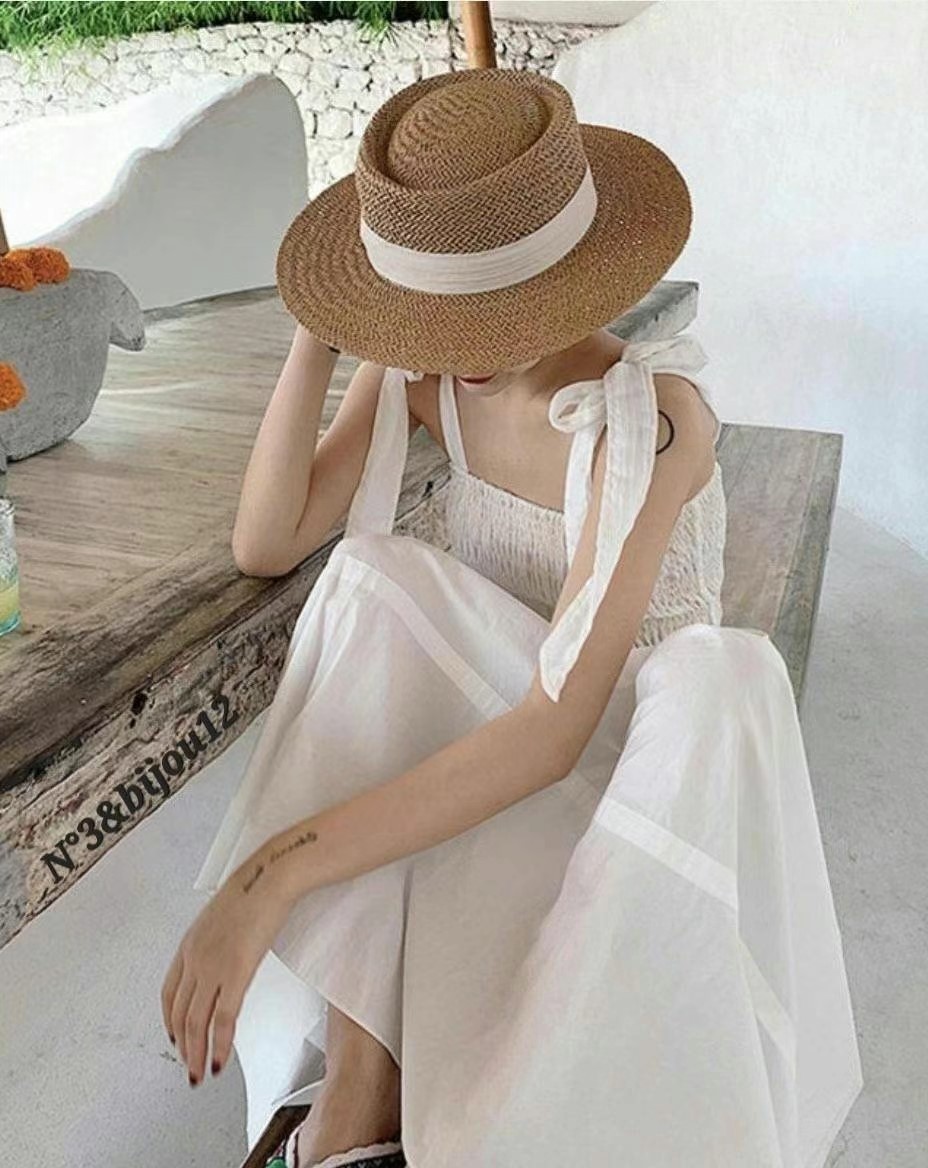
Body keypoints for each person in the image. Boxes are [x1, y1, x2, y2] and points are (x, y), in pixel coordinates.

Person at [161, 68, 863, 1168]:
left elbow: (552, 733)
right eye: (437, 316)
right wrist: (323, 327)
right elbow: (268, 538)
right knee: (370, 581)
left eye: (494, 313)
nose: (468, 350)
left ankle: (458, 1121)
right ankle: (358, 1097)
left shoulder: (648, 420)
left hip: (629, 801)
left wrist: (275, 870)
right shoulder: (430, 376)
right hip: (493, 771)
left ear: (571, 280)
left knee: (711, 676)